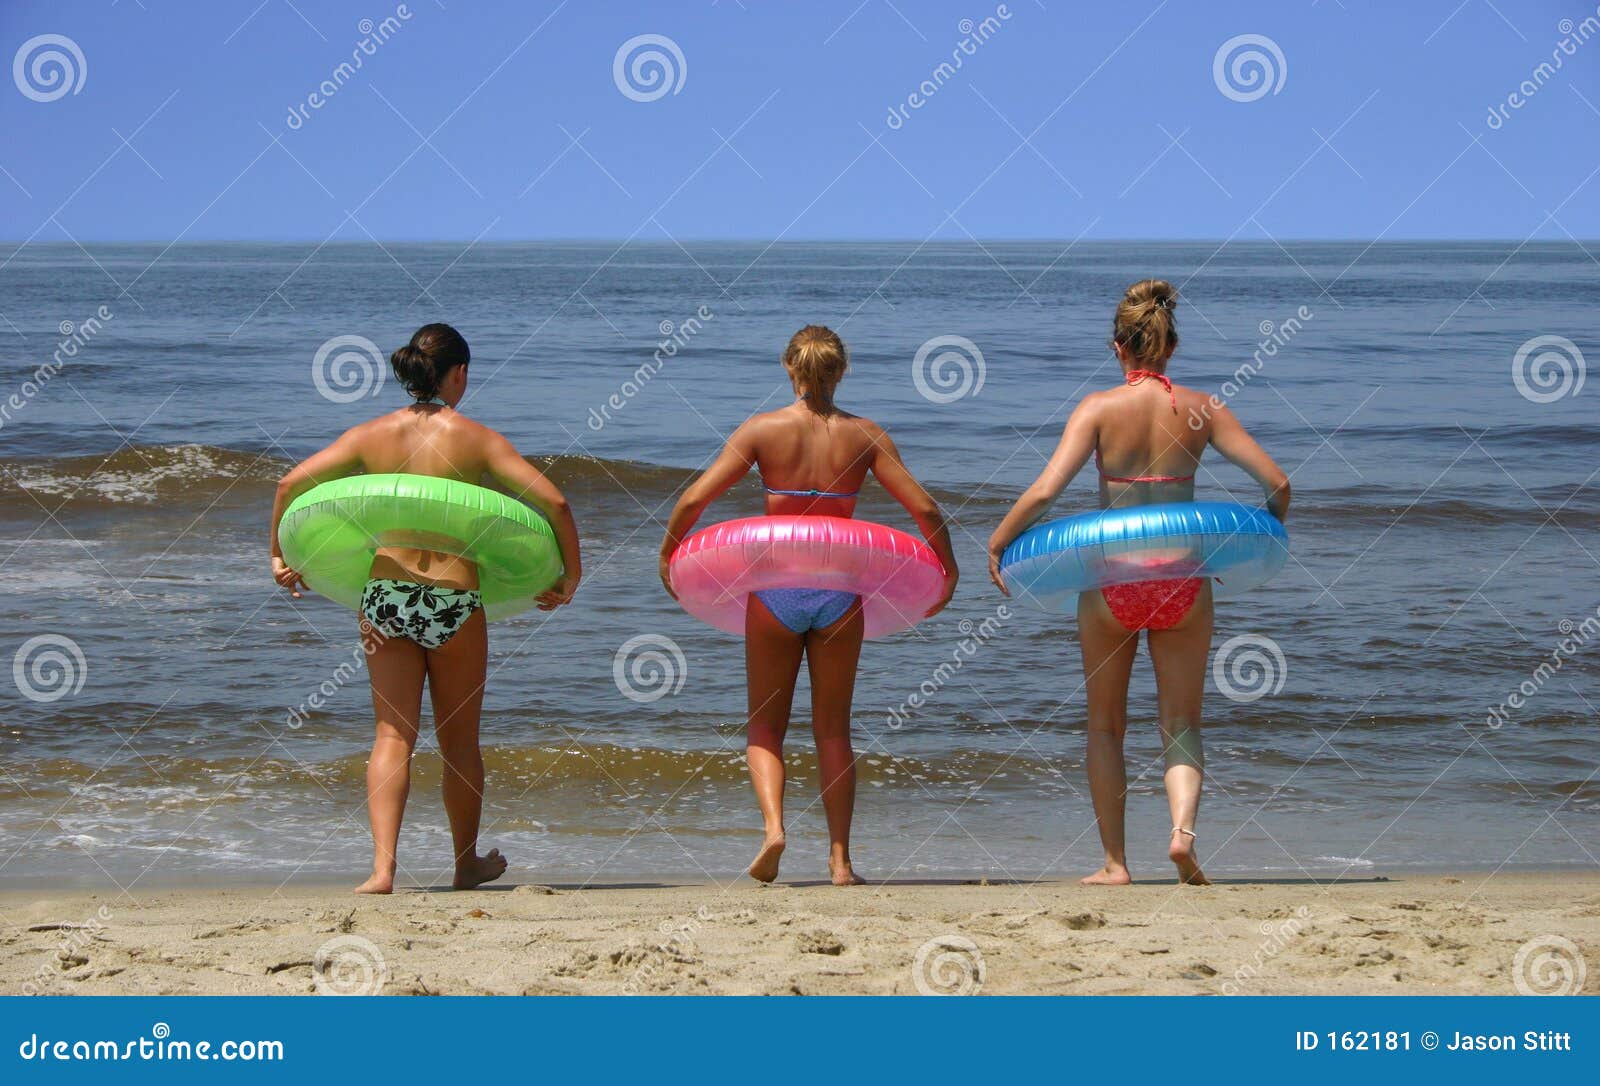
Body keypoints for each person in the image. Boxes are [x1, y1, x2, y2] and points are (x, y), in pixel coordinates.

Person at [988, 281, 1289, 886]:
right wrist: (1249, 545)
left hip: (1110, 583)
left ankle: (1115, 865)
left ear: (1116, 348)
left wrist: (998, 543)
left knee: (1105, 726)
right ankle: (1181, 835)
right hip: (1183, 579)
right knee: (1181, 723)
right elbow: (1278, 485)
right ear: (1171, 346)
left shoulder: (1098, 409)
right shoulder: (1205, 407)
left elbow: (1046, 493)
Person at [270, 323, 582, 894]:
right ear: (458, 373)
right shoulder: (477, 438)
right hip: (454, 598)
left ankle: (382, 870)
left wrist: (279, 556)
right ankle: (465, 864)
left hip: (385, 596)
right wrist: (570, 575)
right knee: (459, 741)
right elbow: (555, 502)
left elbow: (290, 485)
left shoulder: (371, 434)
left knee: (393, 734)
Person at [659, 325, 958, 886]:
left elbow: (696, 496)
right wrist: (949, 571)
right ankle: (841, 861)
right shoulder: (864, 436)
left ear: (788, 369)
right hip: (840, 594)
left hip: (774, 593)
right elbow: (926, 509)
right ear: (841, 371)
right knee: (833, 731)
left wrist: (669, 554)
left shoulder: (762, 430)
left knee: (765, 729)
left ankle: (774, 829)